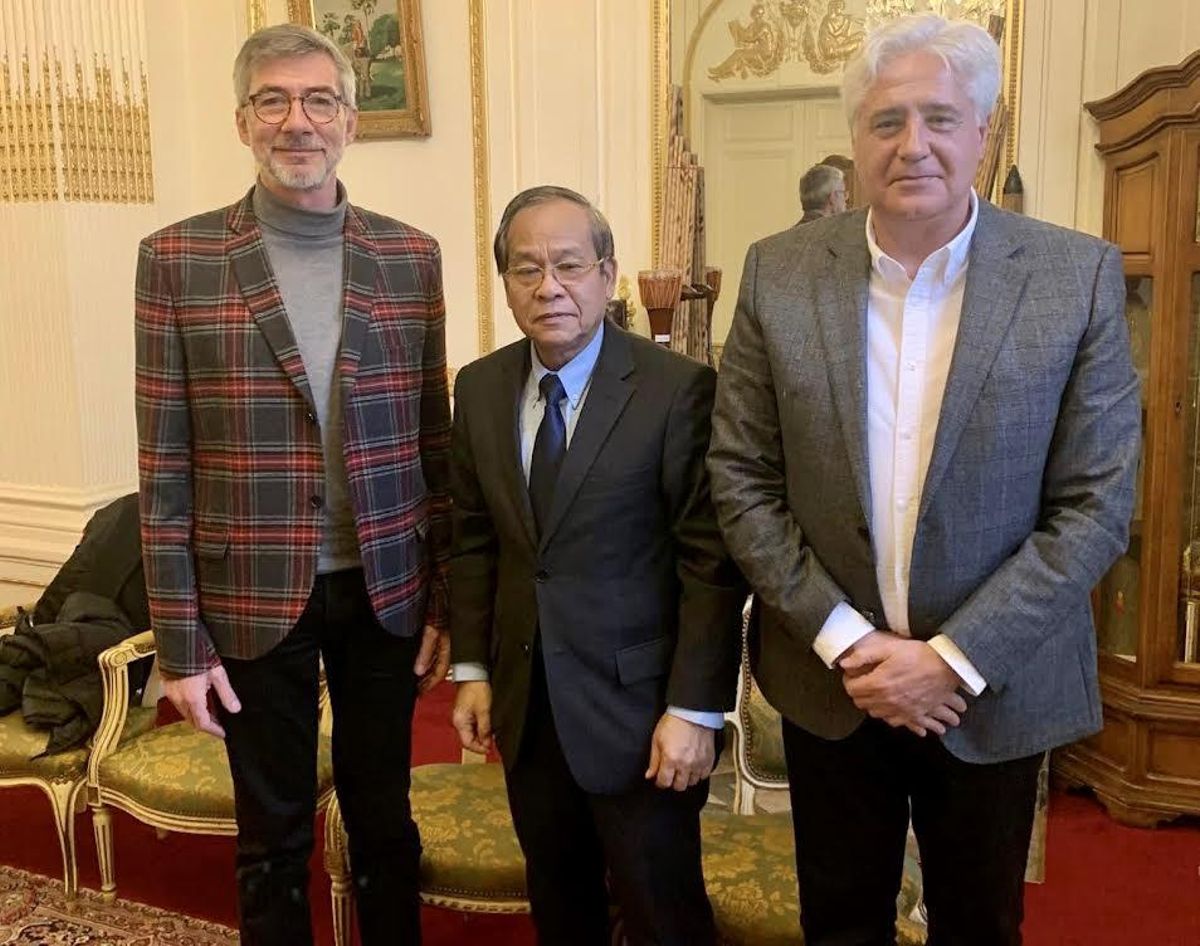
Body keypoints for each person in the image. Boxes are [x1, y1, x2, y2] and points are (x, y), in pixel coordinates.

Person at [708, 14, 1140, 946]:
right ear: (856, 138)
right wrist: (852, 647)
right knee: (839, 921)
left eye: (941, 119)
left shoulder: (1077, 277)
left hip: (994, 686)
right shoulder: (778, 273)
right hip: (836, 688)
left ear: (982, 133)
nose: (914, 145)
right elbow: (740, 477)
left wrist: (950, 660)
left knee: (981, 924)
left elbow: (1096, 504)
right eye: (887, 120)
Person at [134, 24, 451, 946]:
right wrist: (181, 647)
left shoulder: (411, 258)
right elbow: (163, 468)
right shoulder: (176, 260)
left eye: (318, 101)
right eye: (273, 100)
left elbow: (434, 443)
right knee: (270, 836)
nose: (296, 121)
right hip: (249, 592)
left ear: (350, 120)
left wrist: (445, 600)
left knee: (385, 819)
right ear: (243, 121)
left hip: (385, 589)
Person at [449, 185, 745, 946]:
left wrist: (695, 709)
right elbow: (475, 538)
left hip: (640, 714)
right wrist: (474, 670)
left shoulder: (675, 390)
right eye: (526, 269)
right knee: (560, 903)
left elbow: (708, 562)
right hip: (527, 704)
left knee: (661, 913)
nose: (549, 287)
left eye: (569, 265)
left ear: (608, 275)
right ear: (506, 285)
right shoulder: (479, 389)